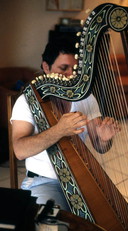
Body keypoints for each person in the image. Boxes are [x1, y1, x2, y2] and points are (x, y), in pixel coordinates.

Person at [11, 35, 120, 210]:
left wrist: (105, 138)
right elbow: (20, 151)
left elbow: (100, 147)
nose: (70, 75)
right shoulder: (27, 101)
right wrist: (59, 130)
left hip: (82, 178)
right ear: (46, 67)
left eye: (74, 69)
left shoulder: (86, 98)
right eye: (63, 68)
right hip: (43, 181)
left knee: (105, 227)